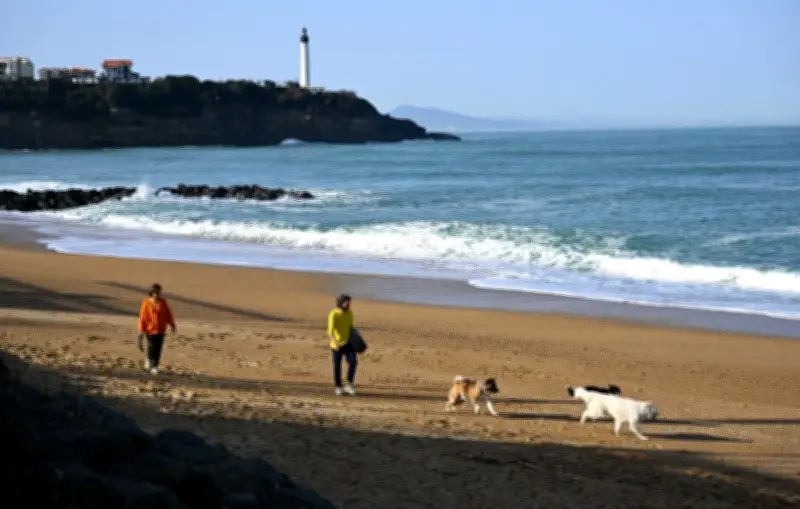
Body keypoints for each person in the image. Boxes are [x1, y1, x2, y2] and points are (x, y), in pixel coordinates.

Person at [137, 283, 177, 375]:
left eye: (159, 292)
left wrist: (172, 325)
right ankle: (149, 361)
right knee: (152, 347)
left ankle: (154, 366)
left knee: (158, 349)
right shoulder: (146, 303)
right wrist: (141, 330)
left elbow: (168, 314)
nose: (157, 294)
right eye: (155, 292)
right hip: (150, 329)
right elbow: (142, 317)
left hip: (161, 329)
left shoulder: (163, 302)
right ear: (152, 292)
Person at [328, 293, 358, 396]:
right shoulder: (334, 314)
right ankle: (338, 386)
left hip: (348, 343)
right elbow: (330, 331)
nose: (349, 305)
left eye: (350, 303)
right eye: (347, 303)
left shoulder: (350, 313)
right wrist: (334, 343)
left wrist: (356, 341)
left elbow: (351, 327)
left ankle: (348, 384)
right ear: (341, 303)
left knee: (353, 362)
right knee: (337, 366)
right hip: (336, 344)